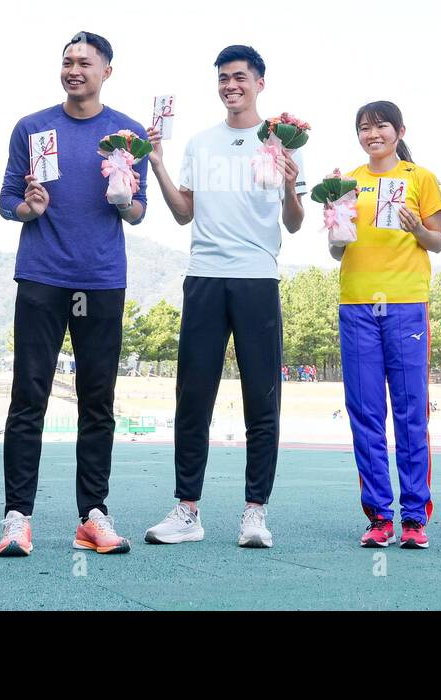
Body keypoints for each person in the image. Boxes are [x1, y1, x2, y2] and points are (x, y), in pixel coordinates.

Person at [143, 44, 305, 549]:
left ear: (260, 82)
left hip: (258, 278)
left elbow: (295, 224)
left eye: (240, 77)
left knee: (263, 399)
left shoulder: (282, 142)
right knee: (193, 397)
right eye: (223, 78)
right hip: (205, 276)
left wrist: (293, 187)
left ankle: (254, 513)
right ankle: (187, 511)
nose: (230, 85)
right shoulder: (200, 143)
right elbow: (183, 213)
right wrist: (157, 164)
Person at [0, 32, 147, 558]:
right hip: (41, 275)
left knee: (97, 402)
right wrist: (28, 210)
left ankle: (93, 515)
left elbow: (139, 211)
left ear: (108, 70)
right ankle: (17, 517)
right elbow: (6, 200)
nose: (74, 69)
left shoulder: (127, 134)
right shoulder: (31, 127)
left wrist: (126, 200)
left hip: (102, 278)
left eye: (85, 62)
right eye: (67, 61)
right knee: (28, 398)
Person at [332, 101, 441, 548]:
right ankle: (379, 516)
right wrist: (338, 229)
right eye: (364, 127)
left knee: (410, 413)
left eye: (380, 126)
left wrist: (417, 227)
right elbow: (337, 251)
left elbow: (436, 242)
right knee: (365, 413)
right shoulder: (345, 183)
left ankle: (414, 518)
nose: (372, 133)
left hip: (405, 305)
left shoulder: (421, 178)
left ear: (399, 130)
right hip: (356, 302)